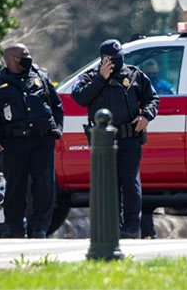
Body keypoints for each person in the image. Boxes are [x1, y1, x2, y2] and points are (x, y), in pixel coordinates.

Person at [71, 39, 159, 239]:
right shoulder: (90, 77)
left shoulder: (134, 74)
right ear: (104, 59)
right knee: (107, 184)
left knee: (130, 183)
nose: (118, 62)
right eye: (113, 59)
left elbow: (152, 98)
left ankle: (130, 227)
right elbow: (80, 98)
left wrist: (146, 115)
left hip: (129, 138)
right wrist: (101, 79)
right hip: (103, 142)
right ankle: (111, 225)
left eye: (120, 58)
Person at [0, 43, 64, 238]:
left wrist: (56, 129)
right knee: (16, 187)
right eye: (23, 55)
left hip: (42, 141)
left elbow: (56, 106)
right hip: (13, 142)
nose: (28, 57)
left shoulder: (40, 77)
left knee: (44, 187)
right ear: (10, 59)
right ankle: (14, 228)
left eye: (28, 53)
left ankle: (40, 228)